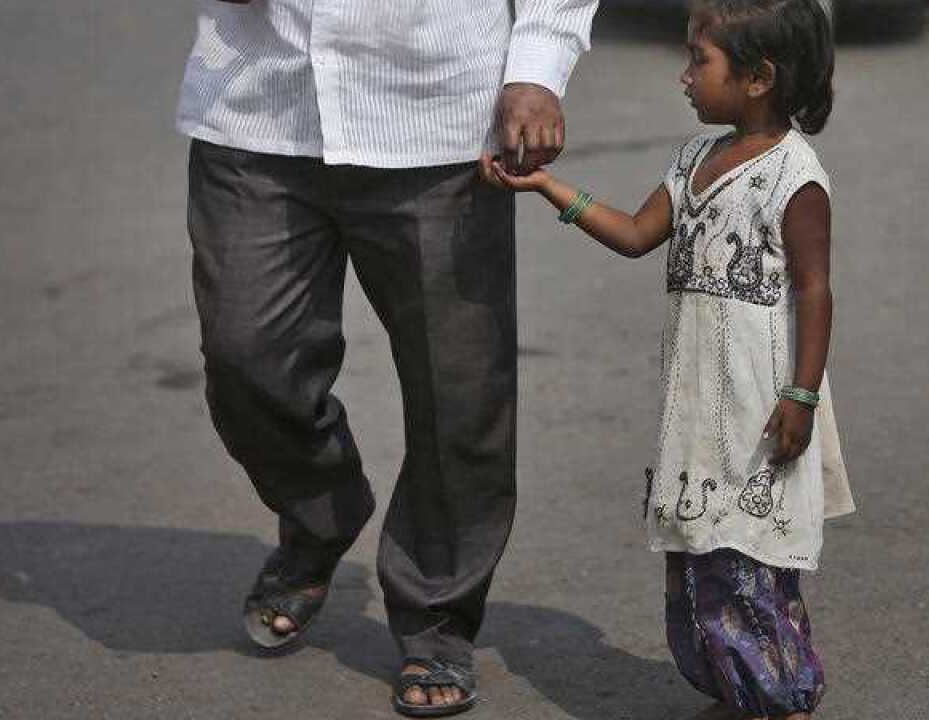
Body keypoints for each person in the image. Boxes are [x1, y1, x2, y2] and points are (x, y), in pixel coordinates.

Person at [175, 1, 598, 716]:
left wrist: (536, 69)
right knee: (246, 357)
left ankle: (437, 614)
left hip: (437, 119)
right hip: (257, 108)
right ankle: (320, 514)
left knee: (457, 394)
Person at [480, 0, 854, 717]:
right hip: (697, 406)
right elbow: (632, 233)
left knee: (747, 562)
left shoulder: (794, 177)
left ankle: (781, 698)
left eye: (699, 61)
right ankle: (735, 692)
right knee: (699, 558)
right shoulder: (695, 159)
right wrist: (547, 188)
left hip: (759, 405)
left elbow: (814, 290)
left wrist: (801, 397)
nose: (684, 78)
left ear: (757, 78)